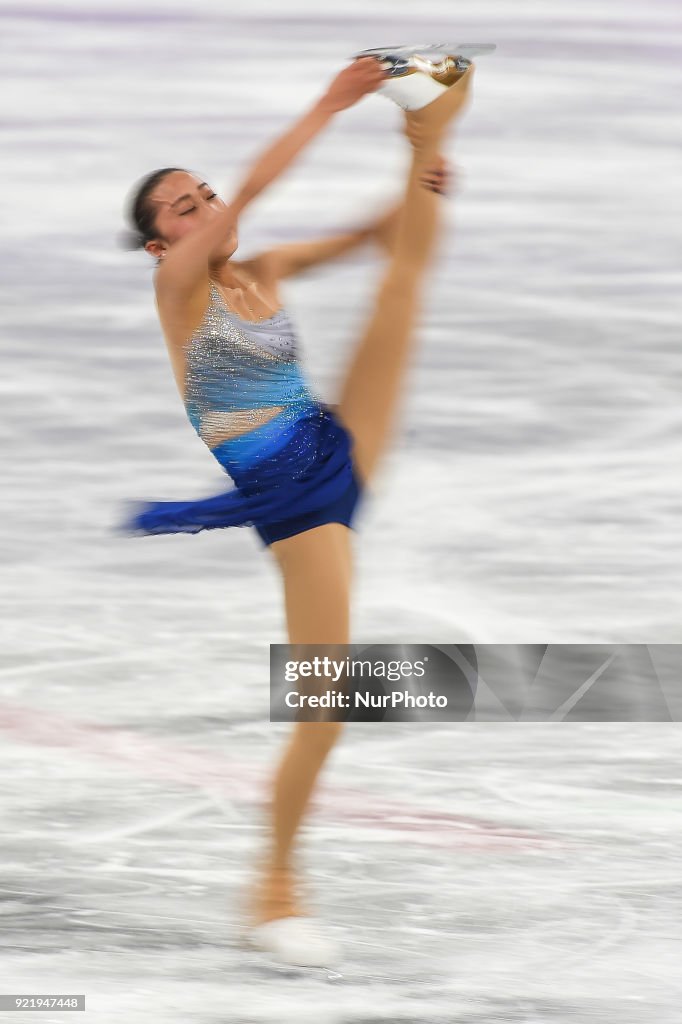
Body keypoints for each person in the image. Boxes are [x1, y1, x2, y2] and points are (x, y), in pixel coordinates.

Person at [119, 54, 475, 967]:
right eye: (185, 208)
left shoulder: (262, 269)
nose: (206, 209)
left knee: (403, 284)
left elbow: (377, 239)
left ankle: (429, 121)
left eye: (204, 193)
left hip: (336, 441)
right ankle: (273, 884)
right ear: (162, 247)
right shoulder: (179, 292)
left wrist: (424, 181)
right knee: (325, 707)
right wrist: (328, 103)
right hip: (295, 502)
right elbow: (260, 191)